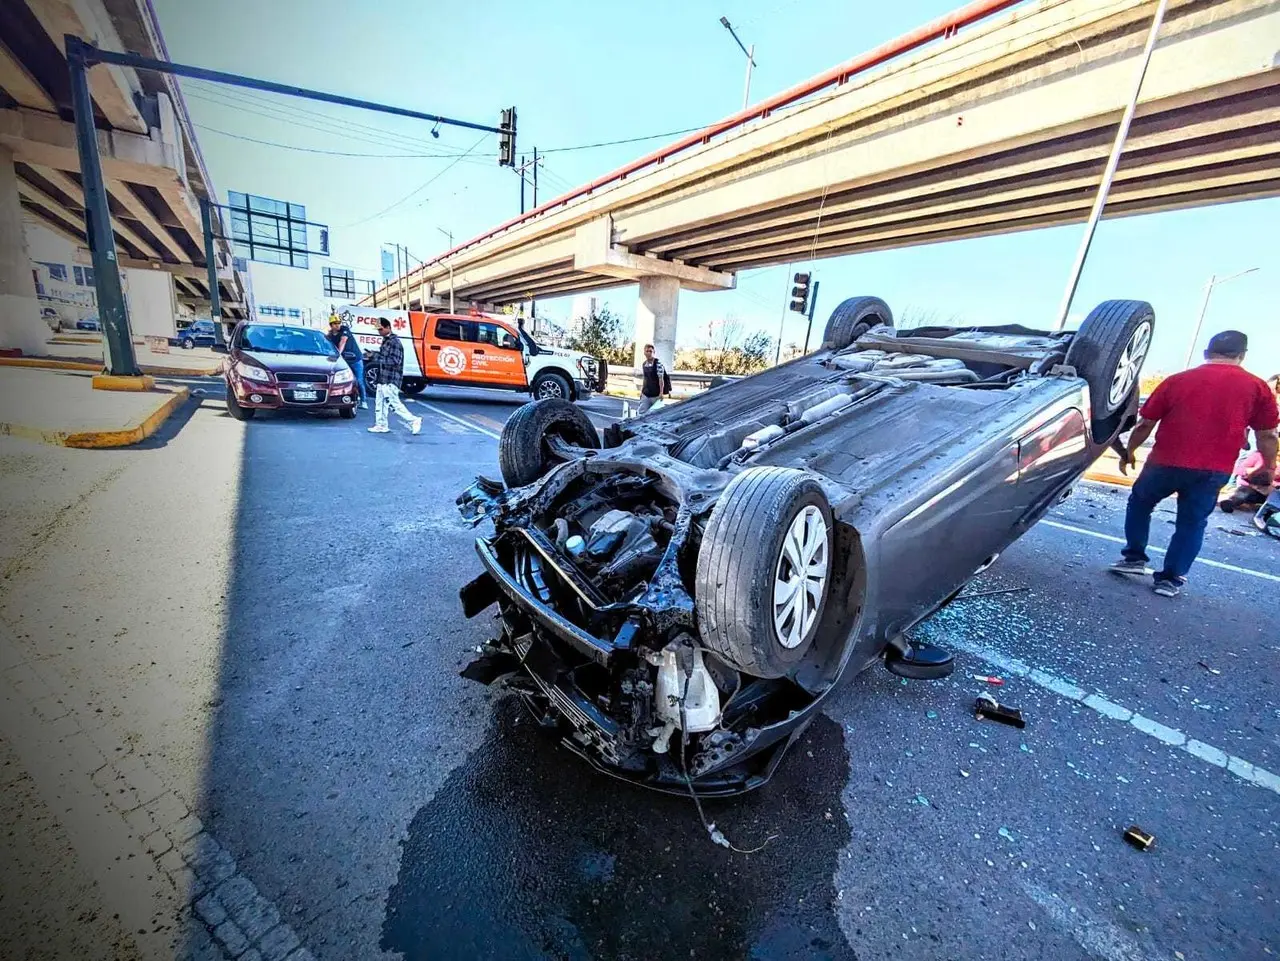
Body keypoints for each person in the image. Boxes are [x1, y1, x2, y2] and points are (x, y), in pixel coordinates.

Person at [1110, 329, 1278, 597]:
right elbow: (1267, 434)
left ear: (1206, 353)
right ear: (1242, 356)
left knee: (1141, 503)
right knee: (1192, 522)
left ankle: (1134, 558)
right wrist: (1268, 468)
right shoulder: (1257, 388)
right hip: (1213, 469)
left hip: (1164, 462)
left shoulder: (1176, 381)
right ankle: (1170, 579)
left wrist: (1129, 451)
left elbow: (1145, 424)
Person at [368, 318, 422, 436]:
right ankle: (381, 425)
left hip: (391, 378)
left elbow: (395, 361)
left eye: (381, 329)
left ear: (388, 327)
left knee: (394, 404)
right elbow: (384, 356)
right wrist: (374, 355)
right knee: (380, 403)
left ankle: (413, 420)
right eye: (378, 330)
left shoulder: (394, 342)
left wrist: (375, 357)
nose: (379, 332)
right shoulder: (387, 340)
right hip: (383, 378)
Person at [327, 311, 367, 410]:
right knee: (344, 381)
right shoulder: (330, 335)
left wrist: (338, 355)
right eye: (335, 324)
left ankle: (364, 401)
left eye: (338, 323)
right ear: (331, 325)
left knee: (359, 380)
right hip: (344, 361)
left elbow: (343, 341)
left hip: (355, 359)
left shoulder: (345, 329)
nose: (338, 325)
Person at [637, 344, 672, 415]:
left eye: (651, 351)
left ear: (654, 352)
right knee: (641, 413)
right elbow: (645, 379)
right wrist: (642, 392)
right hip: (646, 394)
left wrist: (661, 393)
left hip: (656, 395)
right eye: (647, 351)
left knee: (655, 414)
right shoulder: (644, 364)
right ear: (644, 353)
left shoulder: (658, 364)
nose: (649, 353)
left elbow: (661, 379)